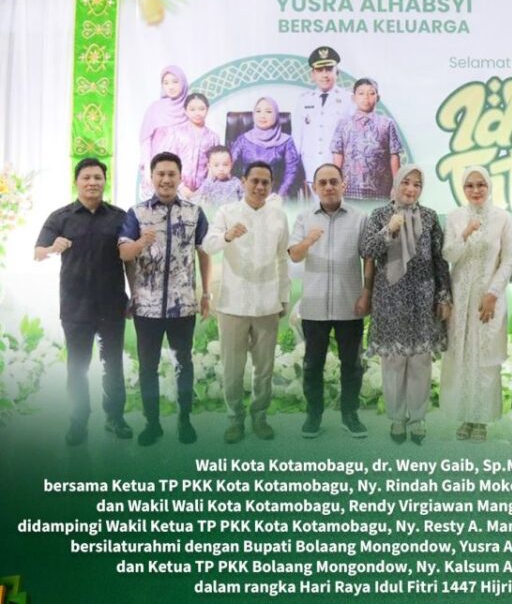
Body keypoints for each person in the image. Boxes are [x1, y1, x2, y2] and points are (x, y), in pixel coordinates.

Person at [35, 158, 131, 446]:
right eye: (86, 177)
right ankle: (78, 422)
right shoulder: (61, 217)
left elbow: (130, 259)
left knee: (113, 365)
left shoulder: (119, 217)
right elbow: (38, 253)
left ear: (105, 181)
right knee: (77, 367)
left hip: (112, 305)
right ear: (76, 181)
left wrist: (134, 295)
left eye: (97, 177)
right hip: (75, 307)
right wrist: (52, 247)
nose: (92, 182)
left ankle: (115, 418)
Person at [119, 151, 211, 446]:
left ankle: (185, 420)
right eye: (161, 174)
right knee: (148, 367)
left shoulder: (194, 213)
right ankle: (152, 423)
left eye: (172, 174)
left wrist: (206, 293)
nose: (166, 179)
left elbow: (204, 253)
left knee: (183, 363)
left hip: (183, 305)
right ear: (152, 177)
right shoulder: (136, 213)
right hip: (146, 306)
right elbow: (124, 253)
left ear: (180, 177)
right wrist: (140, 242)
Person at [360, 164, 451, 445]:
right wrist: (389, 230)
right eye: (406, 182)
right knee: (394, 360)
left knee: (420, 360)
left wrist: (444, 296)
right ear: (396, 183)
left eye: (417, 184)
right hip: (390, 298)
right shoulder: (379, 215)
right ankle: (397, 417)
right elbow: (367, 251)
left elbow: (439, 260)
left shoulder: (430, 217)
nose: (411, 189)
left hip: (423, 298)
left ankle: (418, 417)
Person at [202, 162, 289, 443]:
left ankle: (260, 416)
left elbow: (283, 259)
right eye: (255, 181)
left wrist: (284, 297)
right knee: (232, 367)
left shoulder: (278, 216)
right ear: (243, 181)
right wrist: (227, 236)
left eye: (266, 182)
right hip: (233, 303)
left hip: (267, 303)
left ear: (271, 185)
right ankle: (234, 419)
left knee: (264, 367)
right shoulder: (227, 212)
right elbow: (208, 245)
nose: (260, 187)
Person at [288, 163, 372, 439]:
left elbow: (368, 258)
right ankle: (313, 416)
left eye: (333, 181)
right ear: (314, 187)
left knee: (352, 364)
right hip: (315, 305)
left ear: (343, 185)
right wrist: (308, 241)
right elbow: (295, 255)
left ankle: (350, 415)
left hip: (350, 303)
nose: (328, 187)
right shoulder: (304, 218)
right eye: (322, 182)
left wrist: (367, 292)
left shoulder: (360, 218)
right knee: (313, 364)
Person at [440, 166, 512, 442]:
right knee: (461, 356)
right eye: (469, 185)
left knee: (485, 358)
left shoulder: (503, 218)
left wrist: (493, 293)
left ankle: (481, 419)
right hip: (460, 299)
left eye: (481, 184)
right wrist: (464, 233)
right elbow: (449, 255)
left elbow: (508, 259)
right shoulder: (455, 217)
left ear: (489, 186)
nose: (475, 190)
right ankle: (464, 416)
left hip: (488, 300)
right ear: (463, 189)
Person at [292, 46, 354, 187]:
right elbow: (297, 137)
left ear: (337, 72)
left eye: (329, 69)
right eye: (320, 70)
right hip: (310, 166)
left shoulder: (349, 99)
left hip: (338, 167)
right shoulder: (303, 100)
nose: (325, 75)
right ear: (313, 74)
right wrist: (296, 171)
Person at [332, 78, 402, 201]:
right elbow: (338, 154)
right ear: (353, 98)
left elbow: (394, 156)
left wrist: (396, 186)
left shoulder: (387, 124)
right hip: (349, 188)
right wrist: (335, 182)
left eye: (371, 93)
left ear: (377, 97)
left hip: (381, 189)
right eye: (361, 93)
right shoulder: (343, 124)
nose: (366, 97)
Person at [231, 97, 303, 199]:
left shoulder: (286, 141)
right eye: (258, 111)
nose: (262, 116)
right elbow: (229, 165)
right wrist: (241, 190)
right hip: (246, 194)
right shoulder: (243, 139)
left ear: (276, 115)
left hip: (275, 195)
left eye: (268, 111)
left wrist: (279, 195)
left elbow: (292, 172)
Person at [138, 65, 189, 199]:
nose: (170, 87)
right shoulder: (155, 109)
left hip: (183, 176)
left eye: (175, 81)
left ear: (183, 82)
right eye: (166, 83)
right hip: (157, 171)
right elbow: (146, 141)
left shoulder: (190, 108)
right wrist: (148, 170)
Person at [157, 92, 219, 197]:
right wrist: (180, 187)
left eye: (201, 109)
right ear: (185, 111)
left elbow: (214, 165)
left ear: (207, 109)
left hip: (203, 193)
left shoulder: (213, 137)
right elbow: (168, 161)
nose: (197, 113)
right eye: (192, 109)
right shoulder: (176, 133)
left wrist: (204, 189)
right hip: (177, 190)